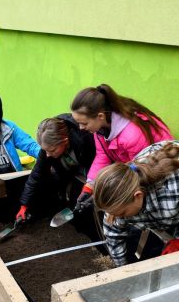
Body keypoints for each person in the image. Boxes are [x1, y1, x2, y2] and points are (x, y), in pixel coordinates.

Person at [93, 140, 179, 267]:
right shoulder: (117, 198)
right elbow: (113, 232)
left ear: (138, 196)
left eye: (122, 213)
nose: (118, 218)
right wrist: (121, 268)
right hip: (161, 203)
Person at [70, 83, 173, 213]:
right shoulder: (101, 128)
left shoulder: (132, 136)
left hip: (161, 174)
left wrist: (103, 196)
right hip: (137, 168)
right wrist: (90, 186)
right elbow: (103, 155)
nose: (80, 128)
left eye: (84, 123)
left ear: (100, 116)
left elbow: (139, 172)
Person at [15, 114, 96, 221]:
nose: (47, 155)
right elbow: (36, 175)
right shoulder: (48, 148)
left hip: (89, 169)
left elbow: (97, 167)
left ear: (65, 141)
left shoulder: (84, 140)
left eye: (52, 150)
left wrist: (90, 189)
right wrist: (24, 205)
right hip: (69, 171)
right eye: (45, 151)